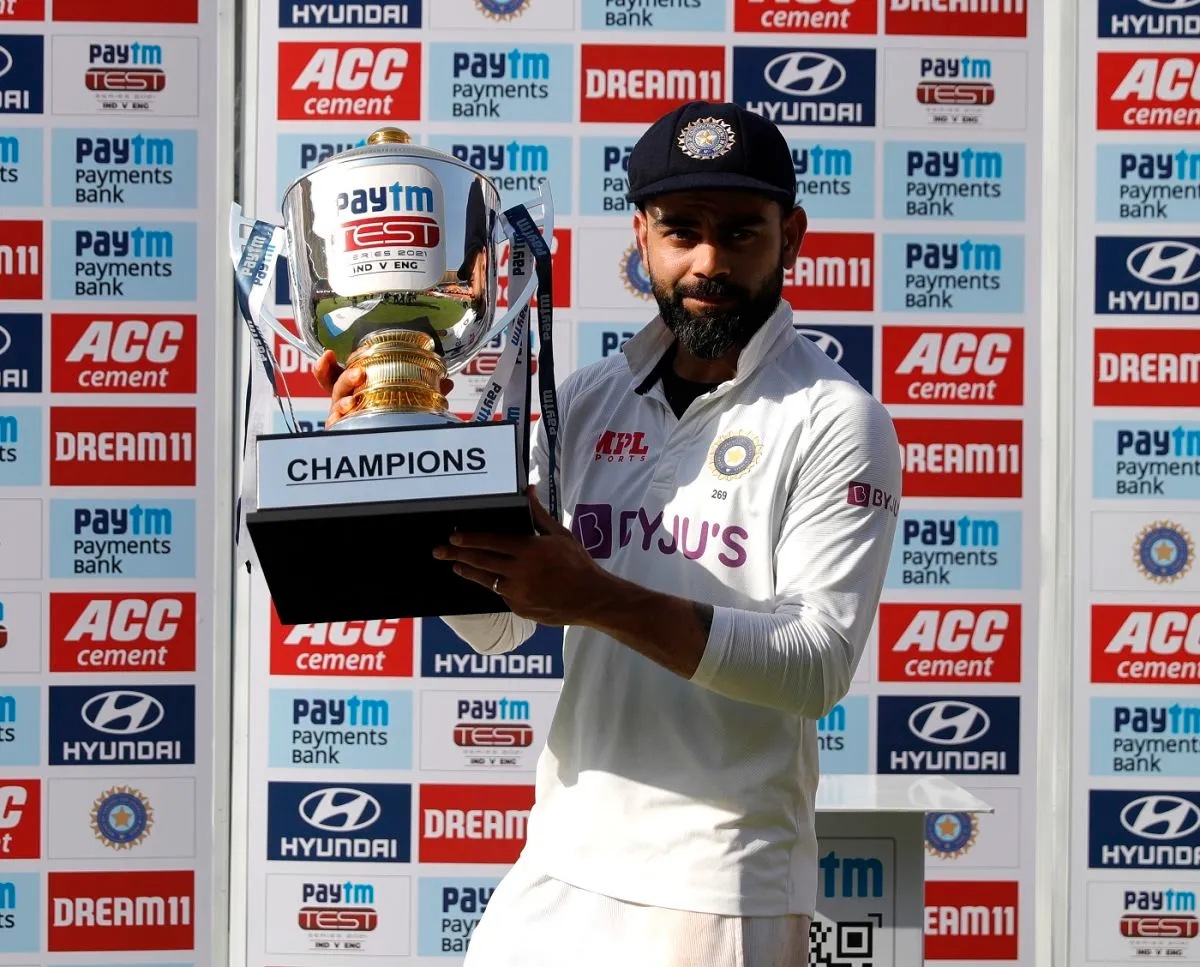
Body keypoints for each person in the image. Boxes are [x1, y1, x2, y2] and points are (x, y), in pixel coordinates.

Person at [314, 101, 902, 967]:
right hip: (559, 862)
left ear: (794, 235)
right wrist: (401, 468)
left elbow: (814, 666)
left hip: (717, 884)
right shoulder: (587, 397)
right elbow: (501, 622)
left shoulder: (837, 419)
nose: (709, 262)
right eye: (682, 232)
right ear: (643, 236)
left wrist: (594, 595)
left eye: (742, 233)